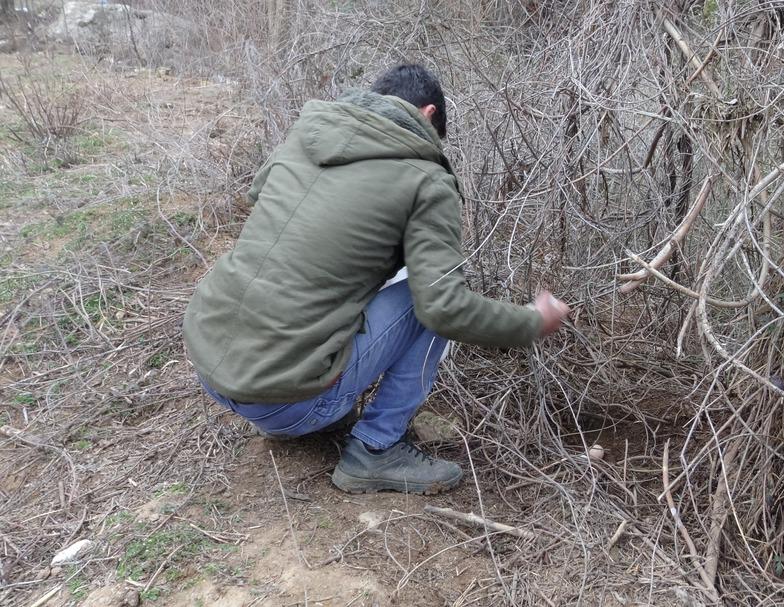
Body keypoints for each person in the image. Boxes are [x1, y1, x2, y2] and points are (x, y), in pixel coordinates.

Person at [182, 64, 569, 495]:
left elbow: (260, 197)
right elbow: (445, 308)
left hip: (212, 367)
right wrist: (533, 321)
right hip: (285, 403)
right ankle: (376, 449)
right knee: (427, 300)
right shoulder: (425, 179)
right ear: (428, 114)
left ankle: (294, 404)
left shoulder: (307, 133)